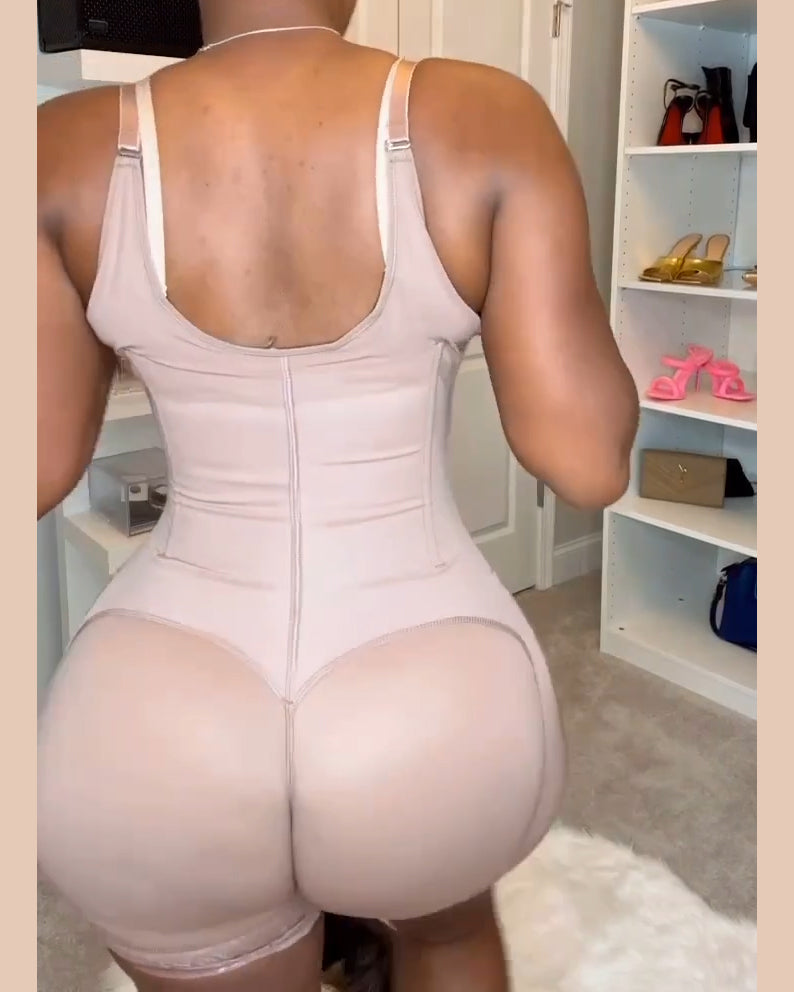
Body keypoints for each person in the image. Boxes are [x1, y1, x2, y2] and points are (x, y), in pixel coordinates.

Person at [36, 1, 640, 990]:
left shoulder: (57, 146)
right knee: (444, 931)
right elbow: (587, 462)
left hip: (157, 706)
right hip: (430, 683)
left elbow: (33, 464)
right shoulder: (486, 114)